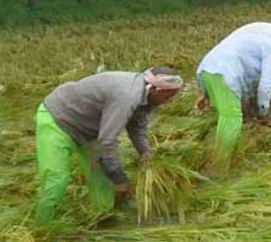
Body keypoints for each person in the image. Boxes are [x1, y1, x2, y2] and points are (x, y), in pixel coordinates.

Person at [35, 68, 184, 226]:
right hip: (59, 119)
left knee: (102, 181)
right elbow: (108, 140)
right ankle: (42, 228)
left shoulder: (148, 97)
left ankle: (101, 220)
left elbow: (137, 128)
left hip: (91, 130)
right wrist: (120, 179)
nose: (169, 101)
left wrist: (145, 152)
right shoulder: (127, 95)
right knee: (57, 180)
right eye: (168, 96)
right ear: (155, 89)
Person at [196, 32, 271, 169]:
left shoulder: (256, 44)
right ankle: (220, 165)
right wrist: (263, 112)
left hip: (206, 70)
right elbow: (265, 85)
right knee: (232, 119)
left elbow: (248, 86)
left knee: (227, 117)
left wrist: (205, 92)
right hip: (224, 72)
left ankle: (226, 153)